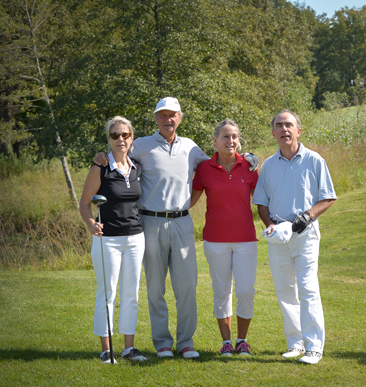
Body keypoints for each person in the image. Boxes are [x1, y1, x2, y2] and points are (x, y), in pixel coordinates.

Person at [94, 98, 258, 359]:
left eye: (173, 115)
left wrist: (248, 157)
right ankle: (162, 343)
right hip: (149, 222)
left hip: (182, 222)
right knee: (155, 287)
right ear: (156, 118)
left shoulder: (191, 148)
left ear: (180, 118)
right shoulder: (142, 145)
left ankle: (186, 342)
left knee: (186, 286)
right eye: (162, 115)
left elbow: (219, 161)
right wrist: (101, 155)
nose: (167, 119)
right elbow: (119, 153)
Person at [252, 109, 337, 365]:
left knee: (308, 288)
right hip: (279, 235)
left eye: (289, 125)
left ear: (298, 130)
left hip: (305, 234)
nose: (284, 129)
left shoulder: (314, 160)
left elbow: (328, 197)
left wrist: (307, 216)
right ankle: (295, 343)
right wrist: (270, 226)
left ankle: (314, 347)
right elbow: (261, 203)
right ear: (273, 133)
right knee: (285, 291)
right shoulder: (268, 165)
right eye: (279, 125)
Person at [79, 116, 147, 363]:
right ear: (108, 139)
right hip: (107, 239)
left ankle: (129, 348)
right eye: (115, 135)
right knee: (107, 293)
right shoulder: (100, 168)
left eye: (125, 135)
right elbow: (85, 204)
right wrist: (90, 224)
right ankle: (106, 350)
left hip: (135, 238)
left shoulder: (137, 166)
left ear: (131, 138)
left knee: (132, 294)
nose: (121, 139)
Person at [191, 119, 259, 357]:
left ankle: (242, 340)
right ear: (215, 141)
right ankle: (227, 343)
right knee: (222, 290)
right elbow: (189, 201)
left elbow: (263, 198)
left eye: (235, 137)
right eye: (226, 137)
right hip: (215, 240)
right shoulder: (204, 169)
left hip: (246, 240)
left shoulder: (250, 167)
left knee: (246, 290)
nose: (231, 141)